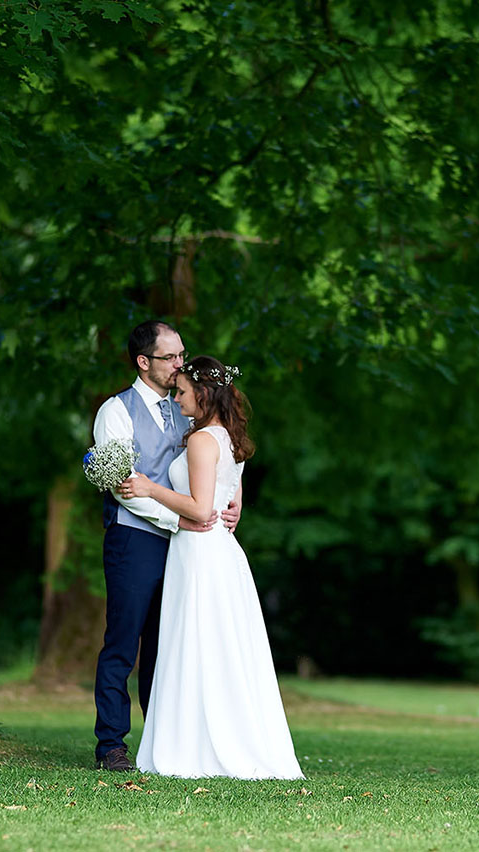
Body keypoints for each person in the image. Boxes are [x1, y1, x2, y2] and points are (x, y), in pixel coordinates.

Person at [118, 356, 303, 780]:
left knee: (197, 642)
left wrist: (150, 487)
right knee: (215, 647)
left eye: (181, 391)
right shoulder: (230, 437)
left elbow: (202, 510)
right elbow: (226, 497)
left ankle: (195, 746)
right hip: (220, 551)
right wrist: (233, 506)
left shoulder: (203, 440)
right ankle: (211, 739)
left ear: (202, 393)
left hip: (200, 551)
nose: (176, 397)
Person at [91, 321, 241, 772]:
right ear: (144, 362)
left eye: (182, 355)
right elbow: (123, 487)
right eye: (171, 357)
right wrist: (183, 515)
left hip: (184, 548)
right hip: (134, 540)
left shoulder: (190, 405)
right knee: (123, 644)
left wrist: (231, 502)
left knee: (168, 647)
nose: (181, 364)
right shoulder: (114, 411)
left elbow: (224, 451)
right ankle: (111, 746)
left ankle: (164, 746)